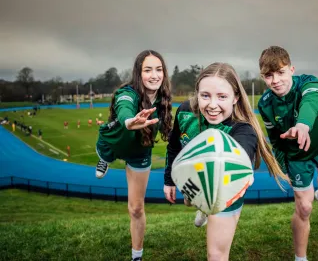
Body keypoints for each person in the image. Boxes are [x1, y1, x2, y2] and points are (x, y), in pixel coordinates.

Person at [164, 62, 287, 261]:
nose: (212, 105)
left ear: (235, 98)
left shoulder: (243, 130)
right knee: (188, 201)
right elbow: (174, 145)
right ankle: (203, 206)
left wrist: (241, 166)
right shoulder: (186, 111)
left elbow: (239, 161)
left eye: (222, 96)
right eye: (205, 95)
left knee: (216, 255)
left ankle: (209, 204)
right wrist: (169, 179)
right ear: (197, 94)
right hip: (197, 174)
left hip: (228, 185)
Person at [257, 46, 318, 261]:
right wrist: (280, 165)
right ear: (263, 77)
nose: (276, 80)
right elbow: (275, 138)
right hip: (296, 155)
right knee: (304, 207)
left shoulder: (309, 82)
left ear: (291, 69)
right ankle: (300, 258)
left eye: (281, 72)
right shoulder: (265, 103)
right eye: (269, 75)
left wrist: (303, 125)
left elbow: (311, 102)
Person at [95, 50, 173, 261]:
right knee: (106, 150)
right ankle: (105, 157)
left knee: (136, 209)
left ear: (164, 73)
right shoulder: (128, 93)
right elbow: (124, 108)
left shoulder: (163, 99)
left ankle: (136, 256)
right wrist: (130, 121)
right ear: (139, 73)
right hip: (114, 141)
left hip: (139, 152)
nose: (154, 75)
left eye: (159, 70)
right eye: (148, 70)